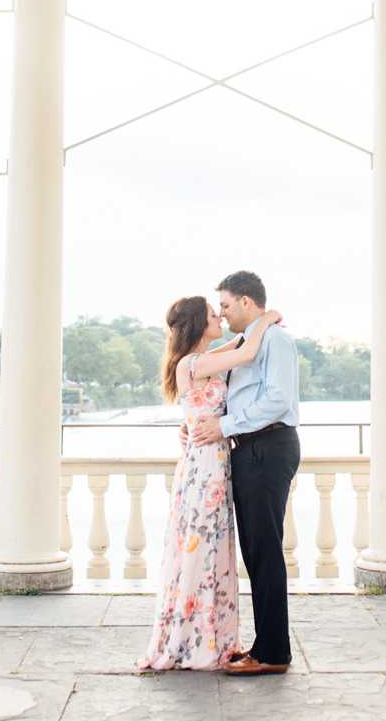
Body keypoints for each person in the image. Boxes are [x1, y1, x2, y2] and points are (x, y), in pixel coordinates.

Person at [139, 294, 283, 671]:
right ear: (197, 325)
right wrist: (265, 318)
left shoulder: (203, 358)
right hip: (205, 466)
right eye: (211, 313)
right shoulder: (194, 362)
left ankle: (211, 637)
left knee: (214, 548)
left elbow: (237, 346)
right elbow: (247, 352)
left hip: (213, 460)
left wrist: (186, 428)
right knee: (200, 549)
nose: (218, 315)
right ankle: (193, 642)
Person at [191, 270, 300, 677]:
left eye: (224, 305)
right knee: (255, 553)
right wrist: (205, 422)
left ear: (246, 303)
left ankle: (274, 653)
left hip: (267, 448)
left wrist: (223, 426)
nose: (222, 312)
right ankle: (265, 644)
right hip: (250, 449)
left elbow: (276, 400)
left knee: (265, 551)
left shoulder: (277, 341)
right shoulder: (247, 342)